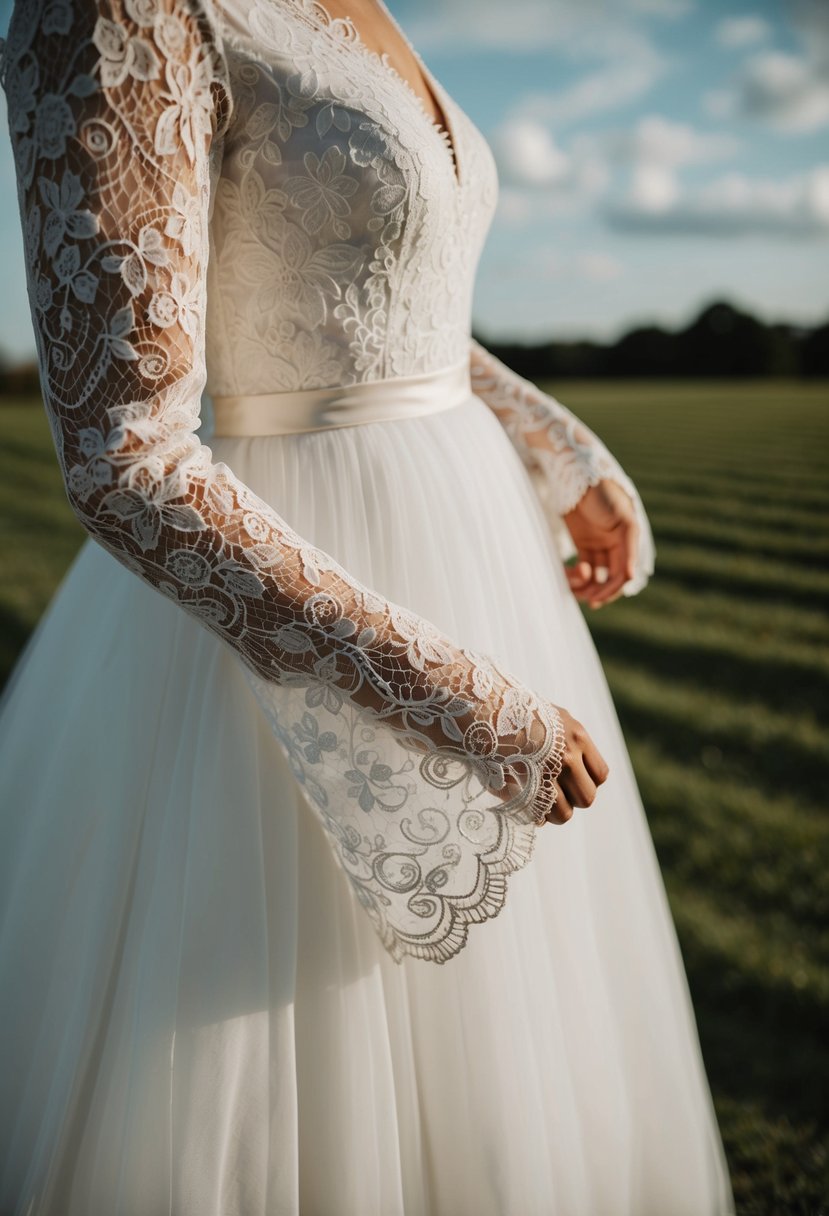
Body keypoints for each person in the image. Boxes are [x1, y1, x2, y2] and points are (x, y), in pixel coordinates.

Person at [0, 0, 736, 1211]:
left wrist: (556, 448)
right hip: (283, 600)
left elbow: (380, 288)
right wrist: (456, 701)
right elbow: (125, 457)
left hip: (477, 547)